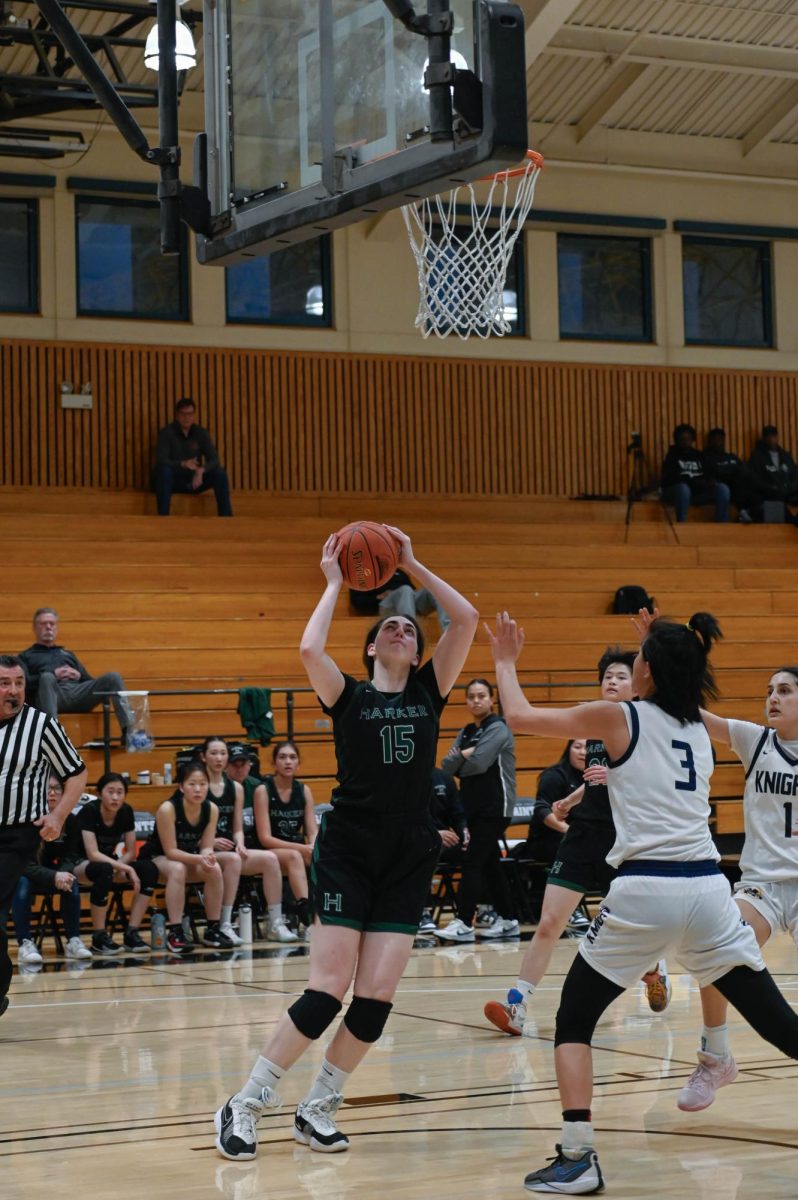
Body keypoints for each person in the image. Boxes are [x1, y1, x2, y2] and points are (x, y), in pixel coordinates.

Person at [487, 610, 798, 1195]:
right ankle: (715, 1057)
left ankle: (577, 1158)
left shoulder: (619, 716)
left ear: (646, 671)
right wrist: (658, 648)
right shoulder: (697, 731)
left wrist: (505, 660)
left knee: (574, 1019)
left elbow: (520, 716)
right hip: (709, 890)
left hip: (644, 891)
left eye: (638, 663)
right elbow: (673, 684)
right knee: (780, 1024)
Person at [214, 526, 478, 1162]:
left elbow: (465, 618)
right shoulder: (348, 696)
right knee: (327, 988)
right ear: (368, 650)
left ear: (418, 655)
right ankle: (247, 1102)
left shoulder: (428, 691)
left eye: (410, 629)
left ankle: (318, 1107)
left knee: (377, 997)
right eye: (389, 627)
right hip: (350, 845)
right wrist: (334, 582)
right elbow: (308, 647)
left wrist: (412, 564)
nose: (401, 629)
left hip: (410, 847)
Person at [484, 649, 671, 1038]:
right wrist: (572, 800)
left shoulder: (647, 726)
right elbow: (597, 781)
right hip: (584, 836)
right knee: (550, 922)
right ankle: (516, 1004)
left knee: (630, 926)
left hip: (624, 839)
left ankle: (654, 970)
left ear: (637, 683)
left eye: (621, 675)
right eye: (607, 676)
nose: (611, 680)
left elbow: (653, 779)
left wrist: (614, 780)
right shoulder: (597, 728)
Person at [677, 664, 798, 1112]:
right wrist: (668, 665)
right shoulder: (756, 740)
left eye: (785, 690)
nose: (773, 697)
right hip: (762, 884)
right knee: (716, 944)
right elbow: (691, 713)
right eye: (770, 690)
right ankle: (716, 1058)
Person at [0, 654, 88, 1019]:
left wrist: (58, 813)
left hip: (16, 835)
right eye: (5, 683)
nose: (13, 690)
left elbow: (76, 773)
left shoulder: (42, 726)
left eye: (19, 683)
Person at [437, 678, 519, 943]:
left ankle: (463, 922)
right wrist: (466, 753)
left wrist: (464, 757)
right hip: (472, 807)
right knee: (490, 864)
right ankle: (508, 920)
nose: (476, 700)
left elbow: (478, 765)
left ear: (491, 699)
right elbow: (446, 767)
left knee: (472, 861)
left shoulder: (499, 728)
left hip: (495, 807)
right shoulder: (466, 731)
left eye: (481, 695)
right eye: (471, 696)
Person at [200, 736, 296, 944]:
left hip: (230, 850)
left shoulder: (236, 788)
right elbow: (191, 826)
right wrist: (211, 841)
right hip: (204, 851)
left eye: (223, 753)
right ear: (204, 757)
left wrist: (240, 841)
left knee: (270, 859)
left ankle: (275, 923)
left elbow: (237, 828)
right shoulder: (199, 786)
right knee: (233, 861)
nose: (219, 758)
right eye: (214, 753)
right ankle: (224, 924)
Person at [138, 760, 236, 953]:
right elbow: (170, 852)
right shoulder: (168, 809)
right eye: (192, 784)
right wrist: (200, 859)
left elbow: (207, 846)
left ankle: (213, 928)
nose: (198, 789)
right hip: (157, 859)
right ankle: (175, 932)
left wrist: (207, 857)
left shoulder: (211, 809)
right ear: (181, 787)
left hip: (187, 857)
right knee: (177, 868)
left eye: (202, 784)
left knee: (214, 868)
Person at [72, 772, 159, 955]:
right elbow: (93, 853)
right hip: (80, 864)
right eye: (110, 791)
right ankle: (98, 936)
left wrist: (120, 866)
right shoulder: (90, 811)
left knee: (148, 869)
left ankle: (132, 932)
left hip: (109, 864)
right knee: (104, 870)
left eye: (120, 792)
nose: (115, 797)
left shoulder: (126, 811)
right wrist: (123, 867)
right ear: (99, 792)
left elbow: (130, 851)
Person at [18, 608, 133, 742]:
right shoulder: (26, 656)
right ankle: (53, 734)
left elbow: (90, 683)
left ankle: (130, 732)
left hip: (77, 694)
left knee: (113, 677)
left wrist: (78, 676)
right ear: (35, 628)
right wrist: (52, 674)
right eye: (43, 624)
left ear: (56, 628)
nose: (48, 627)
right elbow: (24, 685)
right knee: (47, 677)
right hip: (53, 696)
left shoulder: (67, 654)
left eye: (52, 624)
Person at [12, 774, 91, 966]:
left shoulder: (70, 820)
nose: (52, 793)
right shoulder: (27, 819)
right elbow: (24, 864)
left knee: (70, 880)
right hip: (27, 872)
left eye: (56, 789)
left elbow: (71, 855)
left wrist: (63, 874)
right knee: (20, 882)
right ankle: (25, 942)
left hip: (52, 871)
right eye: (47, 789)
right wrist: (54, 876)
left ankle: (73, 940)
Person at [253, 741, 317, 938]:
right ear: (274, 763)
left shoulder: (304, 790)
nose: (287, 761)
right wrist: (301, 848)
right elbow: (265, 838)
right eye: (282, 757)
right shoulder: (263, 790)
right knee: (294, 857)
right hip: (271, 850)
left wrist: (313, 846)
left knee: (323, 858)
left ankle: (328, 916)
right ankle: (308, 921)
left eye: (292, 757)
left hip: (297, 848)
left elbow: (312, 829)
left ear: (298, 763)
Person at [151, 396, 233, 517]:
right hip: (172, 481)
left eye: (190, 414)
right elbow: (161, 460)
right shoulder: (166, 433)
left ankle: (227, 519)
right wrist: (182, 464)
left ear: (194, 415)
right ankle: (163, 518)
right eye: (183, 414)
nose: (186, 417)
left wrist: (201, 470)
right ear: (177, 415)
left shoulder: (201, 433)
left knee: (220, 473)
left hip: (193, 482)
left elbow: (215, 459)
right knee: (164, 471)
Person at [418, 766, 469, 934]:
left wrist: (464, 833)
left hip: (446, 841)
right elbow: (404, 820)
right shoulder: (404, 778)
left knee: (481, 852)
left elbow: (458, 814)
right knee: (427, 850)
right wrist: (434, 834)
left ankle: (483, 909)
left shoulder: (443, 777)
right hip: (417, 840)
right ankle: (422, 912)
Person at [660, 423, 729, 522]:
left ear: (693, 440)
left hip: (698, 492)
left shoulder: (699, 456)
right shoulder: (671, 456)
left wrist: (711, 481)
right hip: (678, 492)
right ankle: (682, 524)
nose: (685, 441)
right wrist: (694, 482)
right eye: (682, 439)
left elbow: (709, 473)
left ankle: (721, 523)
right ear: (677, 440)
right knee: (683, 489)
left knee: (722, 488)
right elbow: (669, 479)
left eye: (688, 438)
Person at [349, 568, 450, 632]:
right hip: (386, 605)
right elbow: (357, 601)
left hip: (407, 601)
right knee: (405, 590)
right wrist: (377, 597)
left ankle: (448, 629)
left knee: (434, 588)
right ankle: (412, 632)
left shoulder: (398, 571)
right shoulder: (361, 575)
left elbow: (412, 590)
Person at [747, 424, 798, 522]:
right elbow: (754, 480)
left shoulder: (786, 456)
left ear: (777, 437)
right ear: (763, 438)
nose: (771, 439)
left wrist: (789, 487)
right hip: (769, 494)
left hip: (788, 492)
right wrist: (771, 487)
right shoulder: (757, 457)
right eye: (767, 436)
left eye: (773, 436)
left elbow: (795, 476)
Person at [703, 427, 752, 523]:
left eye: (720, 439)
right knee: (725, 488)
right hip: (718, 486)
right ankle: (724, 522)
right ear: (710, 441)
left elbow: (744, 470)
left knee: (750, 480)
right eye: (715, 439)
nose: (718, 442)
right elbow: (713, 473)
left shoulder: (731, 456)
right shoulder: (705, 457)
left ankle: (750, 513)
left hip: (736, 485)